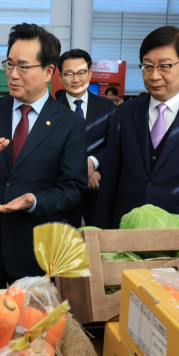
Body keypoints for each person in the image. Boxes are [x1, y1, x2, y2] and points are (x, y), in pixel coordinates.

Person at [0, 23, 87, 305]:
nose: (12, 74)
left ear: (49, 71)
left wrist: (34, 200)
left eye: (23, 66)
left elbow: (73, 187)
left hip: (35, 247)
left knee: (32, 332)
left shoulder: (69, 123)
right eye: (9, 64)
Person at [94, 26, 179, 229]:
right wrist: (101, 234)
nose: (154, 76)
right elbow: (110, 179)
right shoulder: (125, 112)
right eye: (147, 66)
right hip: (126, 228)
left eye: (164, 66)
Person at [56, 48, 116, 227]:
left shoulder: (107, 106)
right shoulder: (51, 110)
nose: (75, 79)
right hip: (63, 191)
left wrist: (93, 164)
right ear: (60, 77)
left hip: (98, 187)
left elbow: (114, 143)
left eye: (81, 72)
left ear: (90, 73)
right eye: (68, 74)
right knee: (63, 246)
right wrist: (82, 171)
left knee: (101, 244)